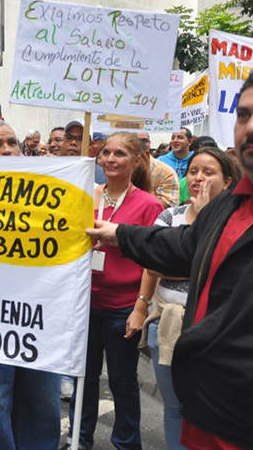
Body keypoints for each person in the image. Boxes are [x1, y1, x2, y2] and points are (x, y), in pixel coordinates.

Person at [87, 76, 253, 448]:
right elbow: (181, 245)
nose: (251, 126)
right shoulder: (228, 207)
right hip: (206, 413)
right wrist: (119, 234)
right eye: (244, 114)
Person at [0, 118, 61, 447]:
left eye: (12, 143)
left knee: (43, 402)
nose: (7, 150)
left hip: (41, 319)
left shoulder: (51, 196)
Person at [136, 147, 240, 450]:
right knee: (174, 406)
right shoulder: (171, 215)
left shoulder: (234, 221)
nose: (198, 178)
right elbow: (153, 264)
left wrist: (184, 257)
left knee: (210, 408)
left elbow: (224, 270)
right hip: (166, 326)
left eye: (209, 172)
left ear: (229, 180)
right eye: (193, 171)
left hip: (214, 330)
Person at [68, 132, 163, 450]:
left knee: (122, 382)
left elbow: (152, 263)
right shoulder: (86, 195)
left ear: (136, 160)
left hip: (123, 306)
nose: (110, 158)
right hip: (85, 304)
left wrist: (141, 307)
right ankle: (79, 439)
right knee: (84, 378)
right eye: (106, 152)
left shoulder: (150, 205)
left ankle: (126, 443)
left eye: (120, 153)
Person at [138, 132, 180, 208]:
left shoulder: (166, 172)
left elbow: (169, 204)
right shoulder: (118, 170)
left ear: (149, 143)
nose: (141, 144)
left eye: (144, 140)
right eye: (135, 140)